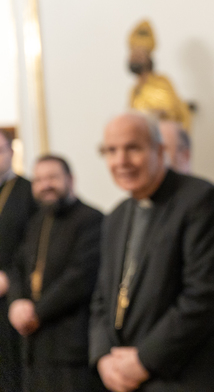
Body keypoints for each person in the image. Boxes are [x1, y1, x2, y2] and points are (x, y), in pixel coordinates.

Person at [90, 111, 214, 391]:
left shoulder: (202, 201)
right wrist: (102, 358)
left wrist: (144, 360)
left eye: (132, 148)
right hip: (128, 376)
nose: (121, 161)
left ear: (160, 151)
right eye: (111, 151)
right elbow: (102, 297)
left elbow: (204, 296)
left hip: (189, 377)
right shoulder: (116, 217)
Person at [7, 155, 105, 391]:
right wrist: (17, 302)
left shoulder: (92, 219)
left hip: (72, 347)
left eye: (52, 177)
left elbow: (81, 277)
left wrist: (36, 312)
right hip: (35, 347)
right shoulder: (37, 221)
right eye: (39, 179)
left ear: (70, 179)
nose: (45, 185)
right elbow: (18, 266)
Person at [0, 129, 36, 391]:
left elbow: (33, 243)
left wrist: (9, 277)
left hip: (13, 293)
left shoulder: (28, 191)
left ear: (11, 152)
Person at [128, 20, 191, 131]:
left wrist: (153, 115)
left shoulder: (161, 83)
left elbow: (170, 113)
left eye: (139, 53)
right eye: (133, 52)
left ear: (148, 58)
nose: (134, 57)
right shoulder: (134, 90)